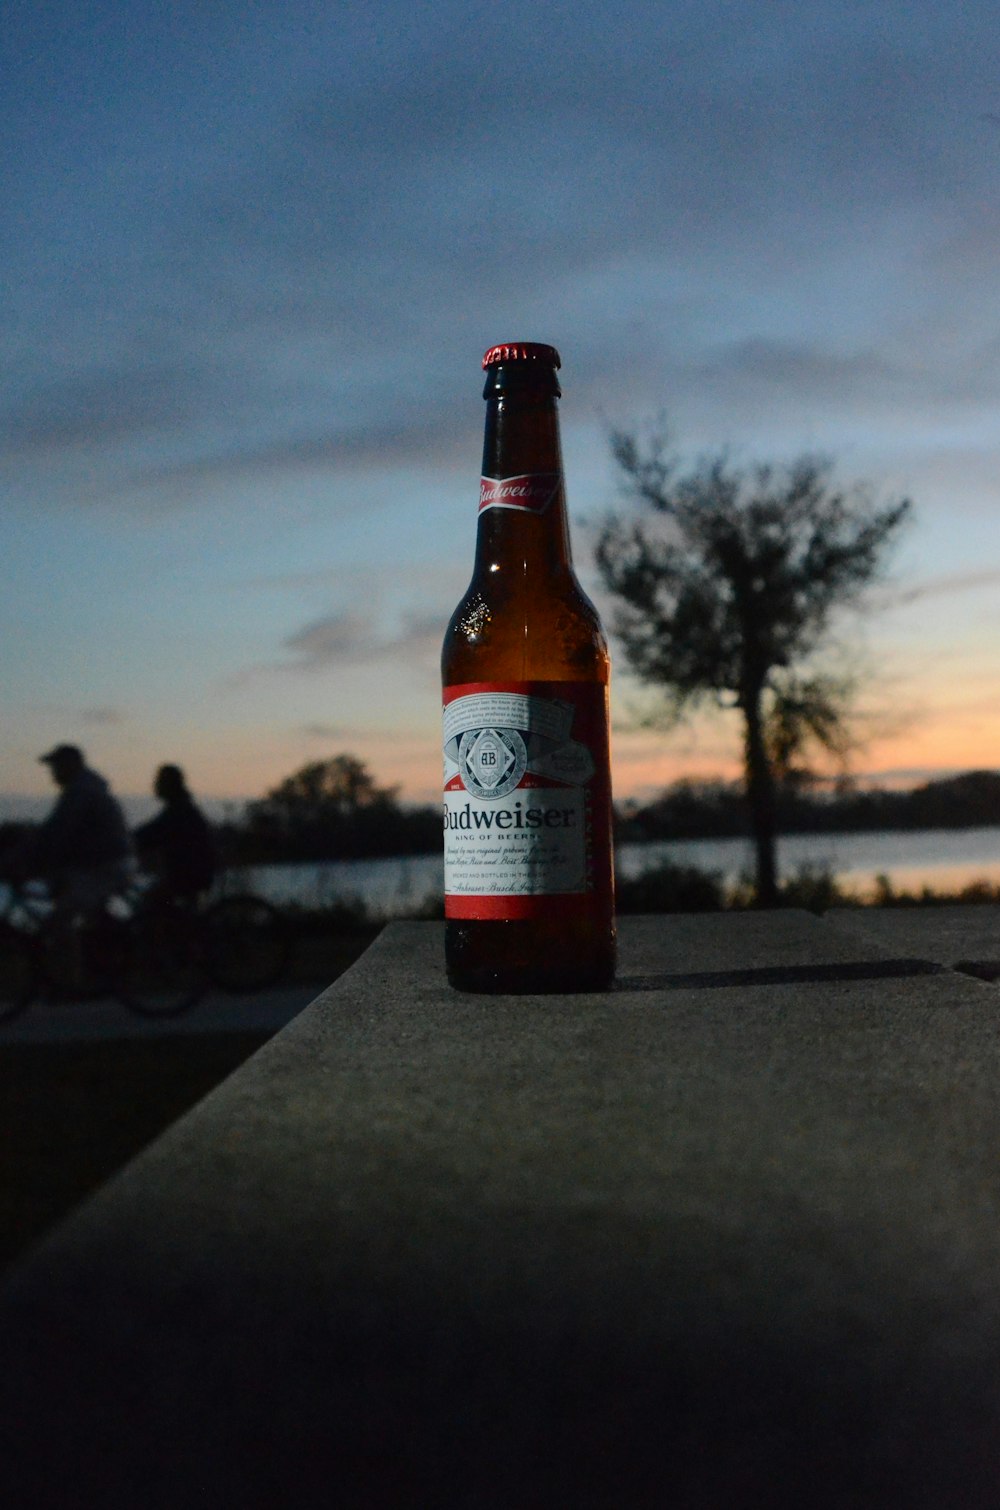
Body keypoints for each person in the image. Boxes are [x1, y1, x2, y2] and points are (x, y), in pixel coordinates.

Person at [9, 744, 133, 917]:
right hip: (106, 865)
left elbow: (55, 833)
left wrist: (15, 859)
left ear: (71, 765)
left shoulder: (81, 793)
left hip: (101, 869)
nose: (53, 772)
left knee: (60, 920)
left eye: (56, 766)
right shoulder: (87, 788)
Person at [133, 764, 217, 904]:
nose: (155, 785)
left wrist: (124, 840)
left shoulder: (178, 811)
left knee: (149, 901)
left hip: (189, 874)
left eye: (159, 781)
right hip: (191, 872)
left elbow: (152, 832)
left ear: (169, 785)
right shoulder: (181, 807)